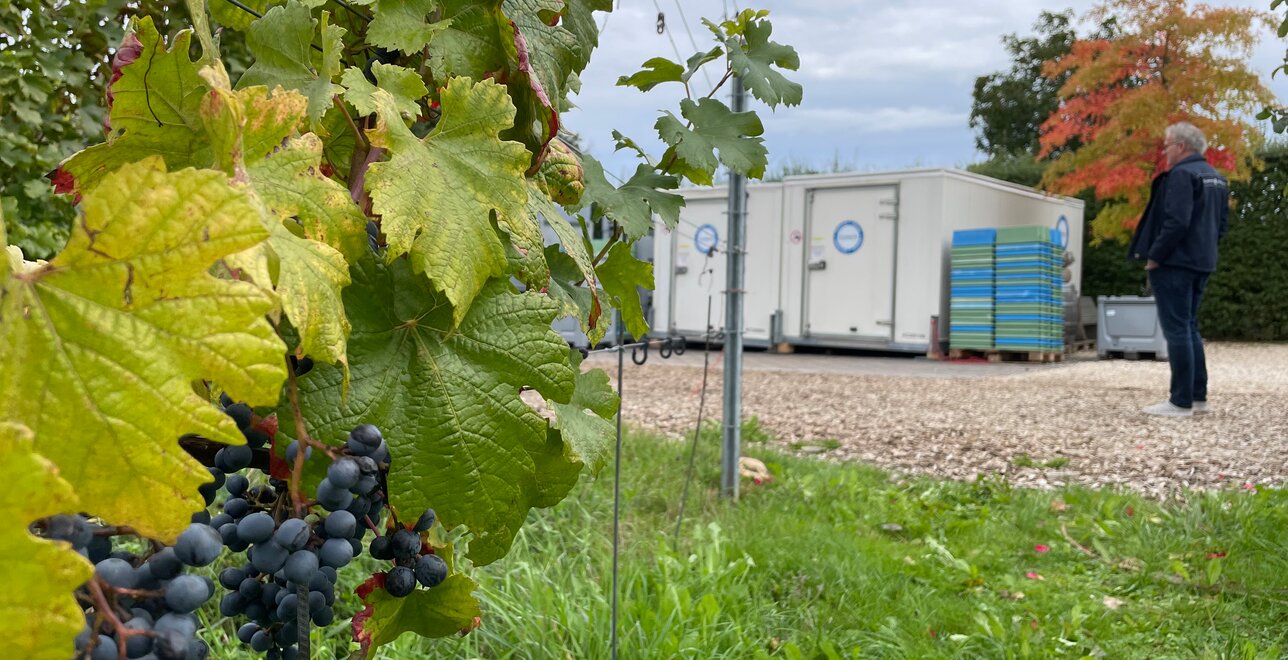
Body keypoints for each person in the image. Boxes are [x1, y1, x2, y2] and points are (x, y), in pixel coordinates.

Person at [1127, 121, 1229, 418]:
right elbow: (1221, 225)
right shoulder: (1216, 178)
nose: (1165, 150)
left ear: (1182, 146)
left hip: (1175, 263)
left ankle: (1180, 401)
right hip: (1202, 261)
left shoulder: (1182, 175)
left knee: (1177, 329)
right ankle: (1197, 397)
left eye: (1167, 145)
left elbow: (1176, 222)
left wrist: (1155, 256)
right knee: (1190, 326)